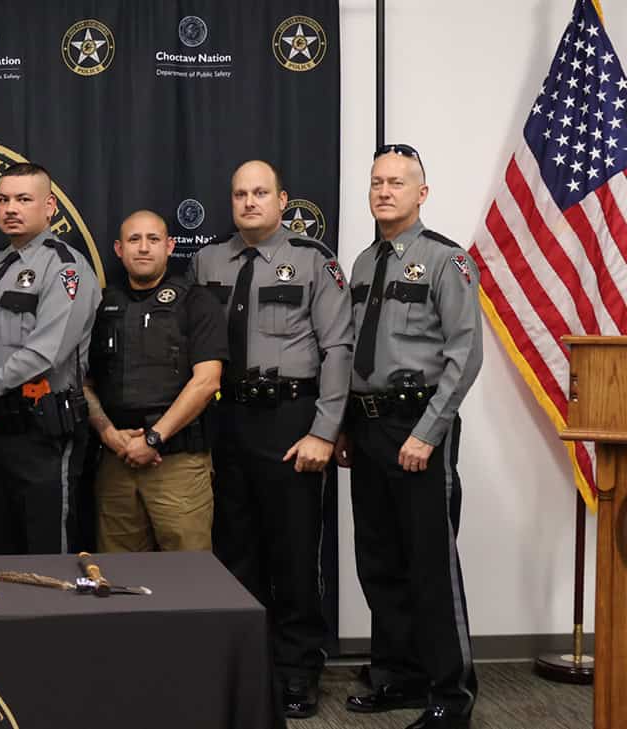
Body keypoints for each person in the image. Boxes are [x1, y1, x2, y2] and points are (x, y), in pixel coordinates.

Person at [186, 160, 353, 718]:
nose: (249, 202)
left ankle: (298, 669)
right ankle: (246, 667)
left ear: (283, 201)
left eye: (261, 193)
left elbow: (338, 351)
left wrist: (324, 432)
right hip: (226, 419)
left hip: (290, 420)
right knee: (235, 551)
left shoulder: (313, 261)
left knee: (294, 551)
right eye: (240, 193)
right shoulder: (207, 260)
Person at [339, 144, 482, 729]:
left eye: (396, 182)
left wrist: (428, 432)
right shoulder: (364, 262)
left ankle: (452, 692)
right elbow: (352, 352)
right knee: (378, 559)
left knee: (429, 562)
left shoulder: (447, 261)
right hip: (369, 426)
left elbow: (465, 356)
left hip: (418, 424)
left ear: (421, 193)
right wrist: (348, 426)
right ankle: (398, 676)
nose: (383, 191)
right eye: (376, 181)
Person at [0, 162, 101, 555]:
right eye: (3, 199)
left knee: (48, 551)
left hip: (43, 434)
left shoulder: (66, 268)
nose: (11, 208)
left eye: (24, 199)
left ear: (50, 206)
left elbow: (43, 353)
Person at [83, 210, 226, 552]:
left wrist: (153, 439)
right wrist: (107, 432)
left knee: (189, 579)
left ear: (170, 246)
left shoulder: (197, 301)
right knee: (119, 581)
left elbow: (207, 382)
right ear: (119, 249)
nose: (143, 248)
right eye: (134, 240)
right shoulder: (102, 305)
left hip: (177, 464)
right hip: (116, 461)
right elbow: (83, 381)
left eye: (153, 239)